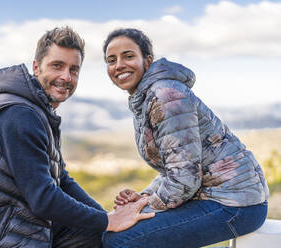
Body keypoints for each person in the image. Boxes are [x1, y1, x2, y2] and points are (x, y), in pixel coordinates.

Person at [0, 26, 154, 248]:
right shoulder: (18, 114)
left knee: (100, 236)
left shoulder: (38, 110)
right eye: (57, 66)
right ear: (36, 67)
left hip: (14, 233)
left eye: (74, 69)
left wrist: (107, 216)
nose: (65, 77)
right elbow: (44, 198)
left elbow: (62, 181)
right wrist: (108, 221)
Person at [101, 28, 269, 248]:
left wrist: (144, 203)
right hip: (212, 196)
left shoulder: (165, 95)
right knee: (111, 231)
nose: (119, 65)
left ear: (148, 60)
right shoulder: (146, 97)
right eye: (111, 60)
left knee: (119, 240)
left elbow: (185, 179)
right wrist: (144, 195)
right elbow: (176, 167)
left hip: (236, 205)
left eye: (128, 56)